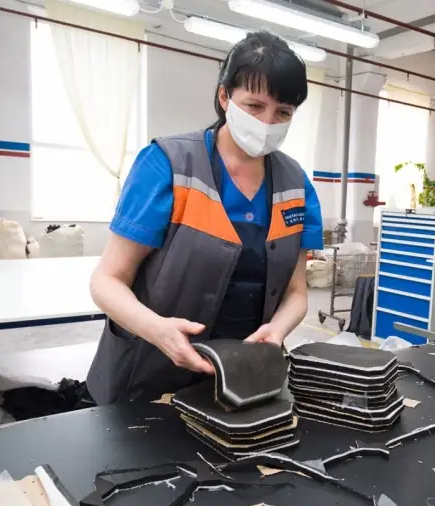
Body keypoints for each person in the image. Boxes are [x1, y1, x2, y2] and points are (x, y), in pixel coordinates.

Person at [86, 31, 323, 405]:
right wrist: (159, 331)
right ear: (224, 96)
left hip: (240, 374)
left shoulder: (296, 184)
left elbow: (296, 292)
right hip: (152, 372)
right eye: (254, 105)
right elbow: (107, 281)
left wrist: (277, 330)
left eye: (283, 112)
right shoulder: (168, 164)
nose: (267, 122)